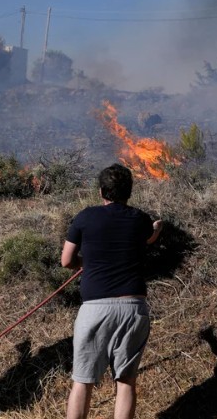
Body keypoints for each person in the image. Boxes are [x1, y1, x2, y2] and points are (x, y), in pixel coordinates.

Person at [61, 163, 163, 419]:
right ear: (129, 192)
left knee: (83, 381)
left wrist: (86, 263)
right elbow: (147, 239)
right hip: (133, 308)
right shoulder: (139, 219)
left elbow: (66, 261)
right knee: (126, 381)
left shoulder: (85, 217)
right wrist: (156, 231)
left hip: (95, 309)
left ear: (101, 192)